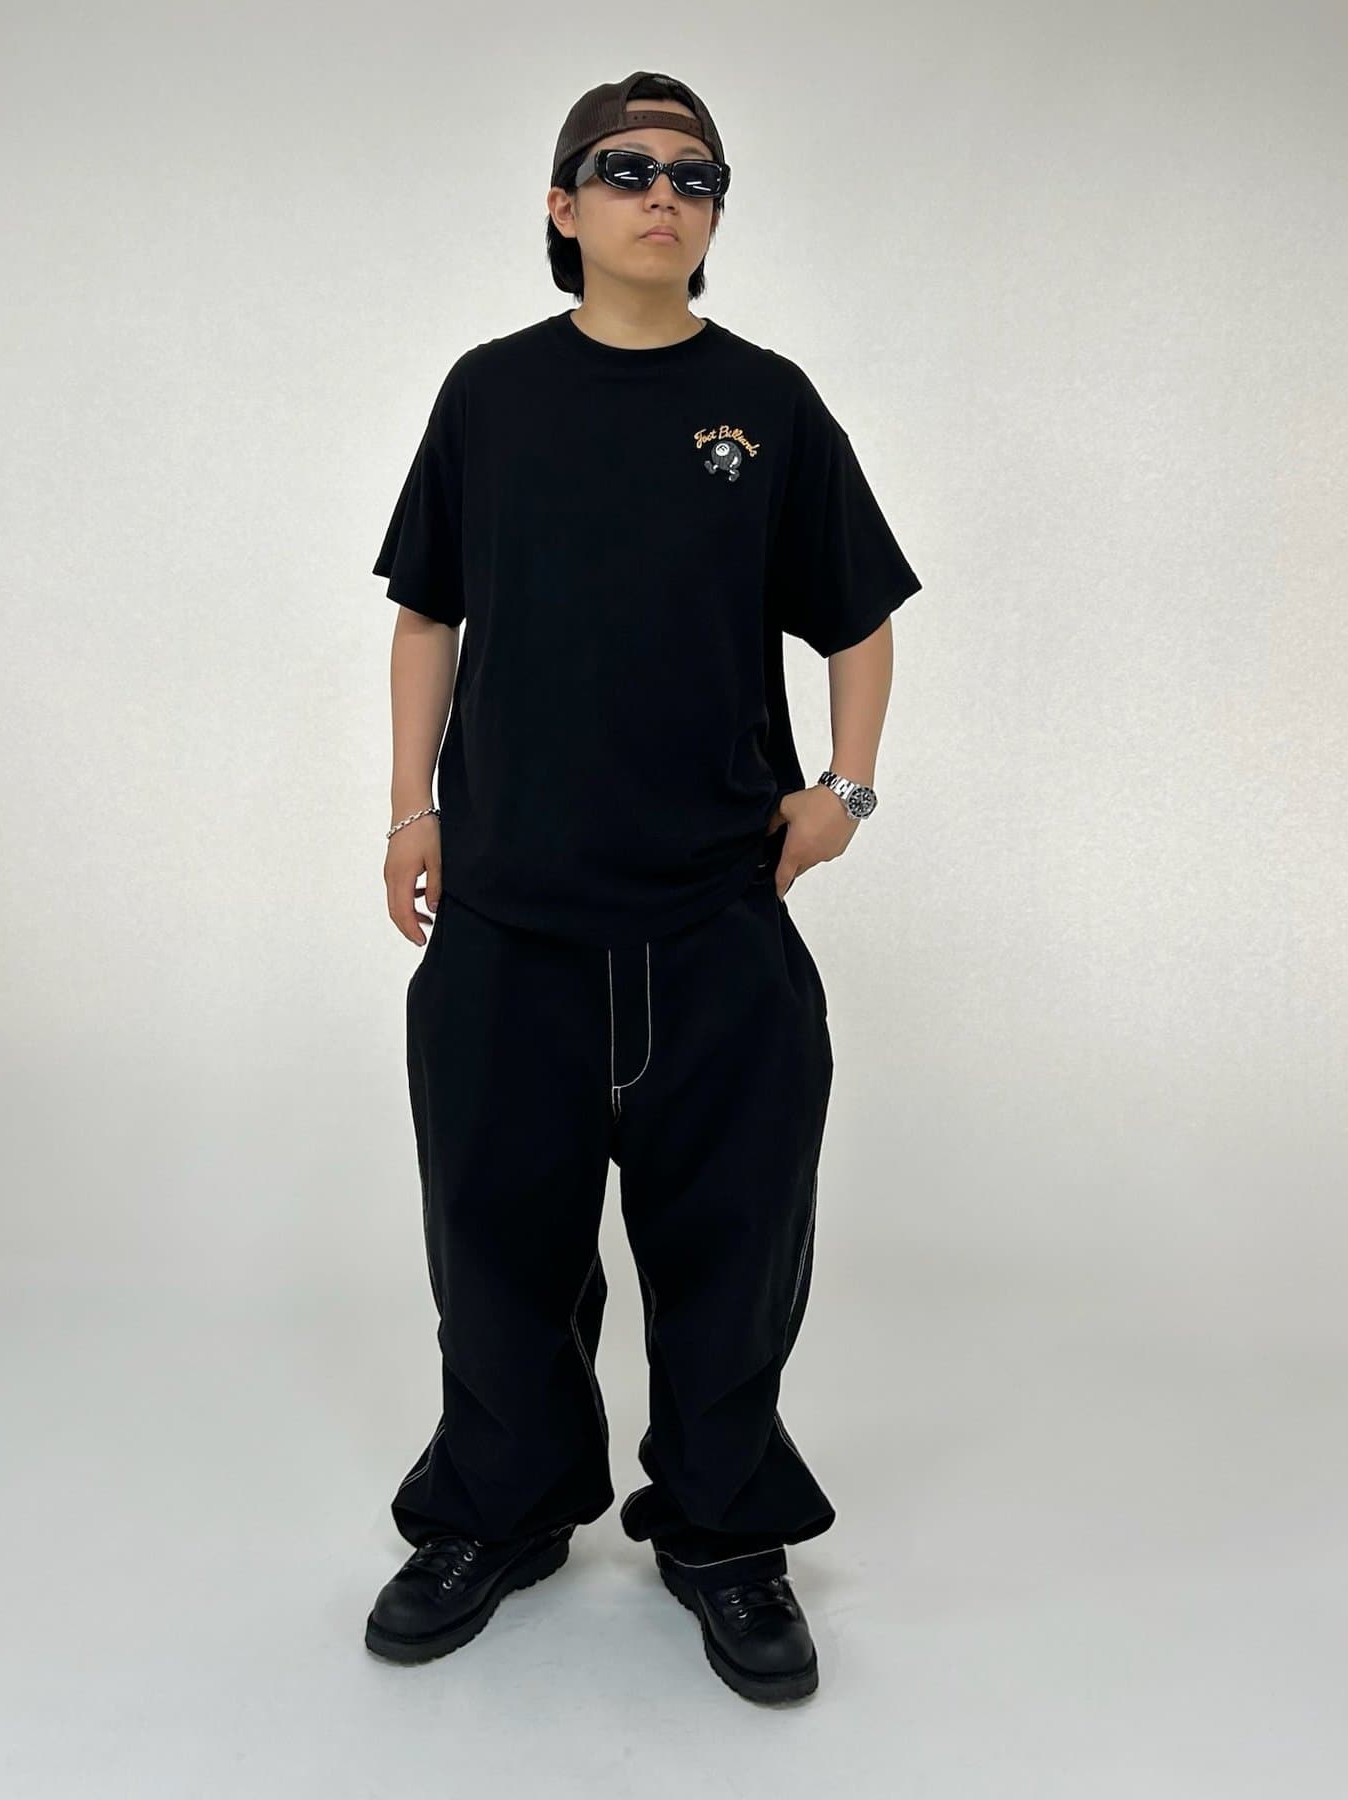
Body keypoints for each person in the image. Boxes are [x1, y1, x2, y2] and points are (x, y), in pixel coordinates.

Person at [362, 70, 921, 1705]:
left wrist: (847, 789)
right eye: (624, 169)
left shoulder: (769, 403)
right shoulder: (491, 395)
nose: (661, 192)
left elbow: (860, 614)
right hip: (509, 918)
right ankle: (500, 1509)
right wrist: (409, 809)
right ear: (564, 206)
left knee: (734, 1258)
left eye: (694, 174)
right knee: (495, 1253)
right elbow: (427, 613)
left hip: (717, 920)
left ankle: (727, 1535)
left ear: (714, 212)